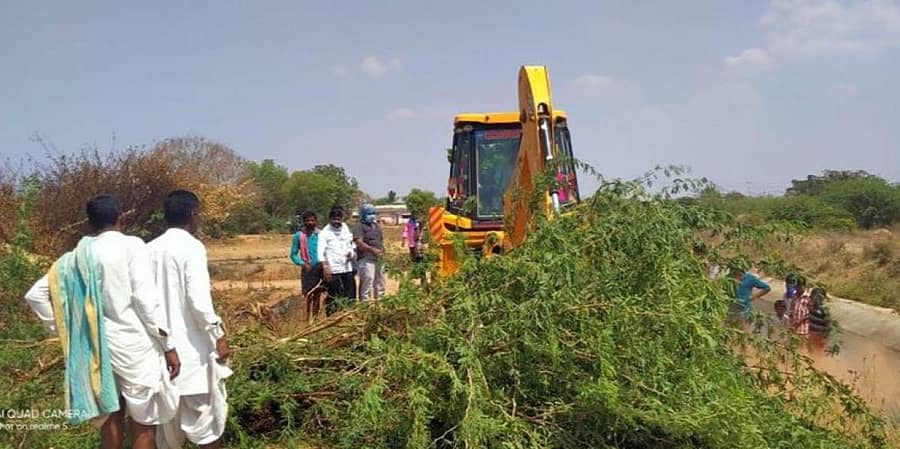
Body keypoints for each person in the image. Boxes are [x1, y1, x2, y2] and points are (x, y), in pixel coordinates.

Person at [24, 194, 179, 449]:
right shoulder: (132, 246)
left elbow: (35, 295)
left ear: (90, 223)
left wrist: (64, 330)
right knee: (144, 424)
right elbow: (144, 301)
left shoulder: (74, 258)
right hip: (133, 348)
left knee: (110, 421)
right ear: (122, 218)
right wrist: (168, 345)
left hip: (94, 350)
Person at [148, 190, 231, 449]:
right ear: (193, 214)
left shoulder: (150, 249)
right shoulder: (192, 247)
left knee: (167, 434)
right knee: (206, 429)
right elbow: (198, 300)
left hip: (162, 355)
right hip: (192, 356)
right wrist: (218, 334)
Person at [316, 206, 356, 313]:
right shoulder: (324, 233)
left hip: (347, 267)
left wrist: (351, 252)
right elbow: (320, 251)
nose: (336, 221)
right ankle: (332, 316)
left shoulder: (345, 228)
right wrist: (325, 267)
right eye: (334, 219)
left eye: (339, 219)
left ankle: (349, 313)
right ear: (330, 219)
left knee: (350, 293)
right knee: (334, 293)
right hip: (332, 269)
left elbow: (351, 244)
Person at [353, 203, 385, 300]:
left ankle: (379, 303)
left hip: (378, 258)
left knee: (380, 282)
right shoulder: (359, 226)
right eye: (369, 213)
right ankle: (365, 305)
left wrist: (382, 251)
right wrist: (372, 249)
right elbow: (359, 242)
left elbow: (380, 241)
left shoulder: (376, 226)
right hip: (366, 258)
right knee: (367, 282)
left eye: (373, 213)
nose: (372, 215)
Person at [290, 211, 322, 295]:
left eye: (312, 220)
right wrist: (303, 264)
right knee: (309, 294)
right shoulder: (298, 236)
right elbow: (293, 255)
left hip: (322, 267)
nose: (310, 223)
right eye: (308, 221)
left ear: (316, 221)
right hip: (308, 268)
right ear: (304, 222)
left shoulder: (321, 234)